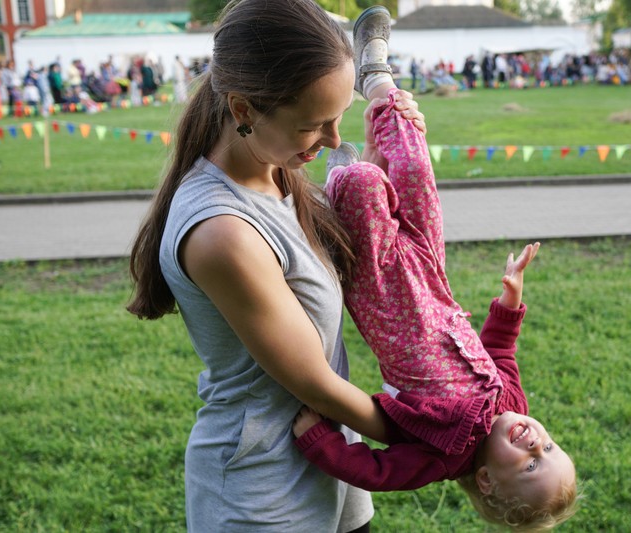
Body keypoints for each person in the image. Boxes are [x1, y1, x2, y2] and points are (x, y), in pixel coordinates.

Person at [127, 1, 424, 530]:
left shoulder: (273, 169)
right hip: (261, 495)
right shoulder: (222, 232)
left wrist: (378, 164)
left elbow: (349, 253)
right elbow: (314, 382)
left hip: (332, 463)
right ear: (243, 110)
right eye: (315, 125)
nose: (334, 139)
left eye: (339, 117)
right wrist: (434, 432)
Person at [292, 7, 577, 530]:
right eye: (551, 444)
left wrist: (319, 442)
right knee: (416, 169)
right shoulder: (512, 401)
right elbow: (501, 354)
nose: (537, 440)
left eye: (532, 463)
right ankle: (374, 74)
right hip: (434, 281)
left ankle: (343, 170)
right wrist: (510, 301)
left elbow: (375, 470)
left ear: (488, 480)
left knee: (364, 188)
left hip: (384, 296)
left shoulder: (442, 454)